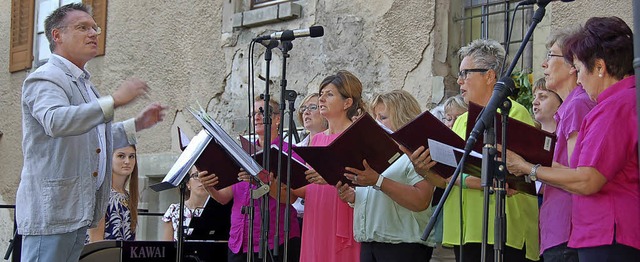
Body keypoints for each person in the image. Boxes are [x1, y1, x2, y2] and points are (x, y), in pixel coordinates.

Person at [15, 3, 166, 261]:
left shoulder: (84, 83)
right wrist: (114, 100)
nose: (93, 33)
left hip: (75, 211)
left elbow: (92, 137)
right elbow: (56, 121)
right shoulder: (45, 77)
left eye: (94, 27)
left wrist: (136, 125)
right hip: (52, 212)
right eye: (82, 28)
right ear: (57, 35)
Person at [505, 16, 639, 261]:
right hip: (605, 232)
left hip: (609, 232)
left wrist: (528, 167)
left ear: (599, 67)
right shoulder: (621, 102)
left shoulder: (614, 108)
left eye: (580, 69)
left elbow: (587, 178)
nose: (578, 80)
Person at [442, 39, 539, 261]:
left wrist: (462, 178)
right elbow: (449, 171)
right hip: (465, 229)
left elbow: (513, 177)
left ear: (489, 76)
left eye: (466, 73)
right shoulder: (462, 120)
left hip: (503, 233)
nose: (459, 80)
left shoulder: (512, 113)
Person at [336, 90, 436, 261]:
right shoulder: (371, 152)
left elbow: (421, 200)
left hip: (403, 246)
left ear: (403, 117)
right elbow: (376, 197)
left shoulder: (416, 153)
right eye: (374, 118)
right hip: (369, 243)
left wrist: (378, 181)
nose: (376, 123)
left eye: (383, 117)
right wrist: (353, 197)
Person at [200, 97, 301, 262]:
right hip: (239, 242)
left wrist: (262, 181)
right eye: (253, 113)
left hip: (276, 241)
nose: (257, 117)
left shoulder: (288, 152)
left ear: (277, 118)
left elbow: (292, 197)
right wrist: (209, 186)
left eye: (262, 112)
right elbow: (224, 197)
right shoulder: (242, 153)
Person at [293, 70, 367, 261]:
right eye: (321, 94)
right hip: (316, 215)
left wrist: (330, 177)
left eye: (329, 94)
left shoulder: (357, 136)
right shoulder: (316, 139)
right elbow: (310, 186)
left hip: (343, 213)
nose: (321, 99)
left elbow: (366, 182)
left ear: (347, 102)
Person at [87, 145, 139, 242]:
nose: (127, 161)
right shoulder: (101, 194)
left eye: (131, 156)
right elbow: (95, 241)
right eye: (121, 156)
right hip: (103, 254)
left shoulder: (128, 196)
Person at [293, 93, 328, 230]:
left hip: (323, 214)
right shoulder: (296, 149)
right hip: (296, 217)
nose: (306, 112)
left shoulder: (331, 146)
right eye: (303, 108)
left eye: (313, 107)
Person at [161, 166, 211, 241]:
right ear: (188, 183)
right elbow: (166, 247)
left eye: (205, 175)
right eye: (196, 175)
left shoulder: (219, 211)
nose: (201, 180)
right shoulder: (174, 210)